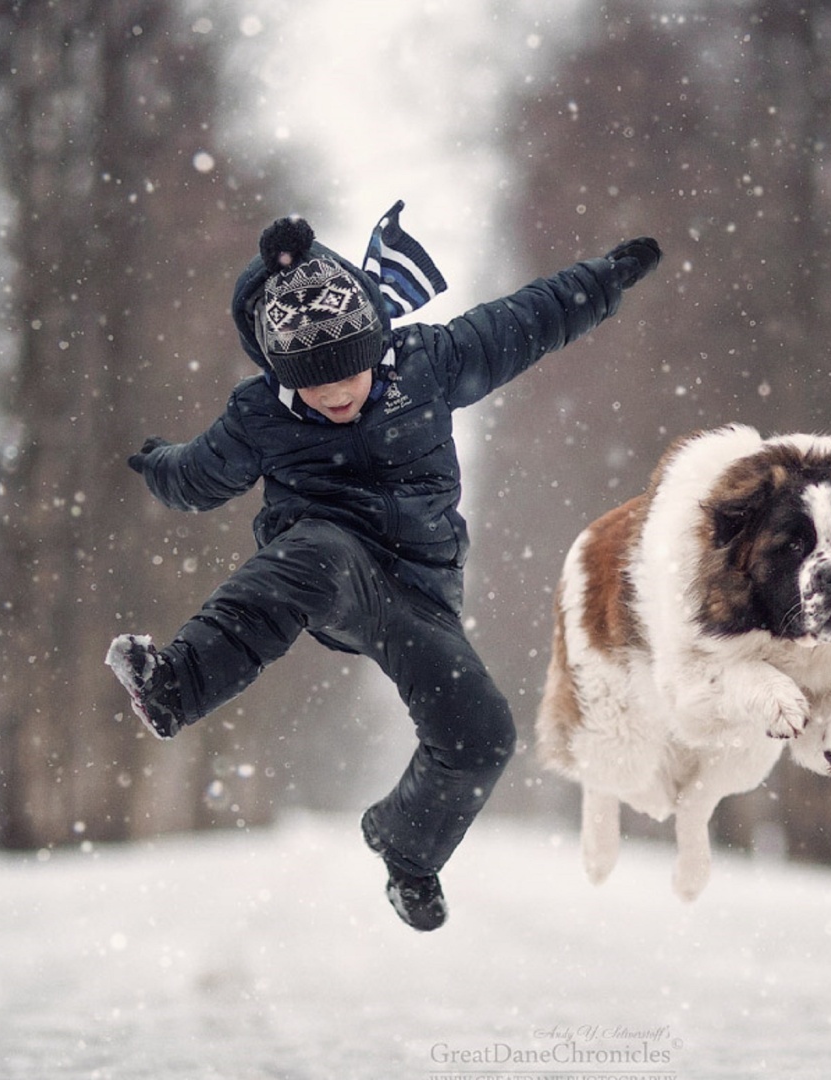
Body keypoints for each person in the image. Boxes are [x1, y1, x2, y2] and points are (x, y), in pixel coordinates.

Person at [107, 200, 660, 931]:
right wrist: (157, 465)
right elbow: (198, 478)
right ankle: (174, 686)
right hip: (329, 571)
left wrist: (603, 280)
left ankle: (407, 847)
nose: (337, 394)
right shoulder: (258, 416)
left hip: (421, 592)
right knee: (317, 551)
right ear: (281, 373)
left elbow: (524, 322)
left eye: (350, 375)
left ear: (375, 345)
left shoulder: (429, 361)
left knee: (483, 733)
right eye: (315, 385)